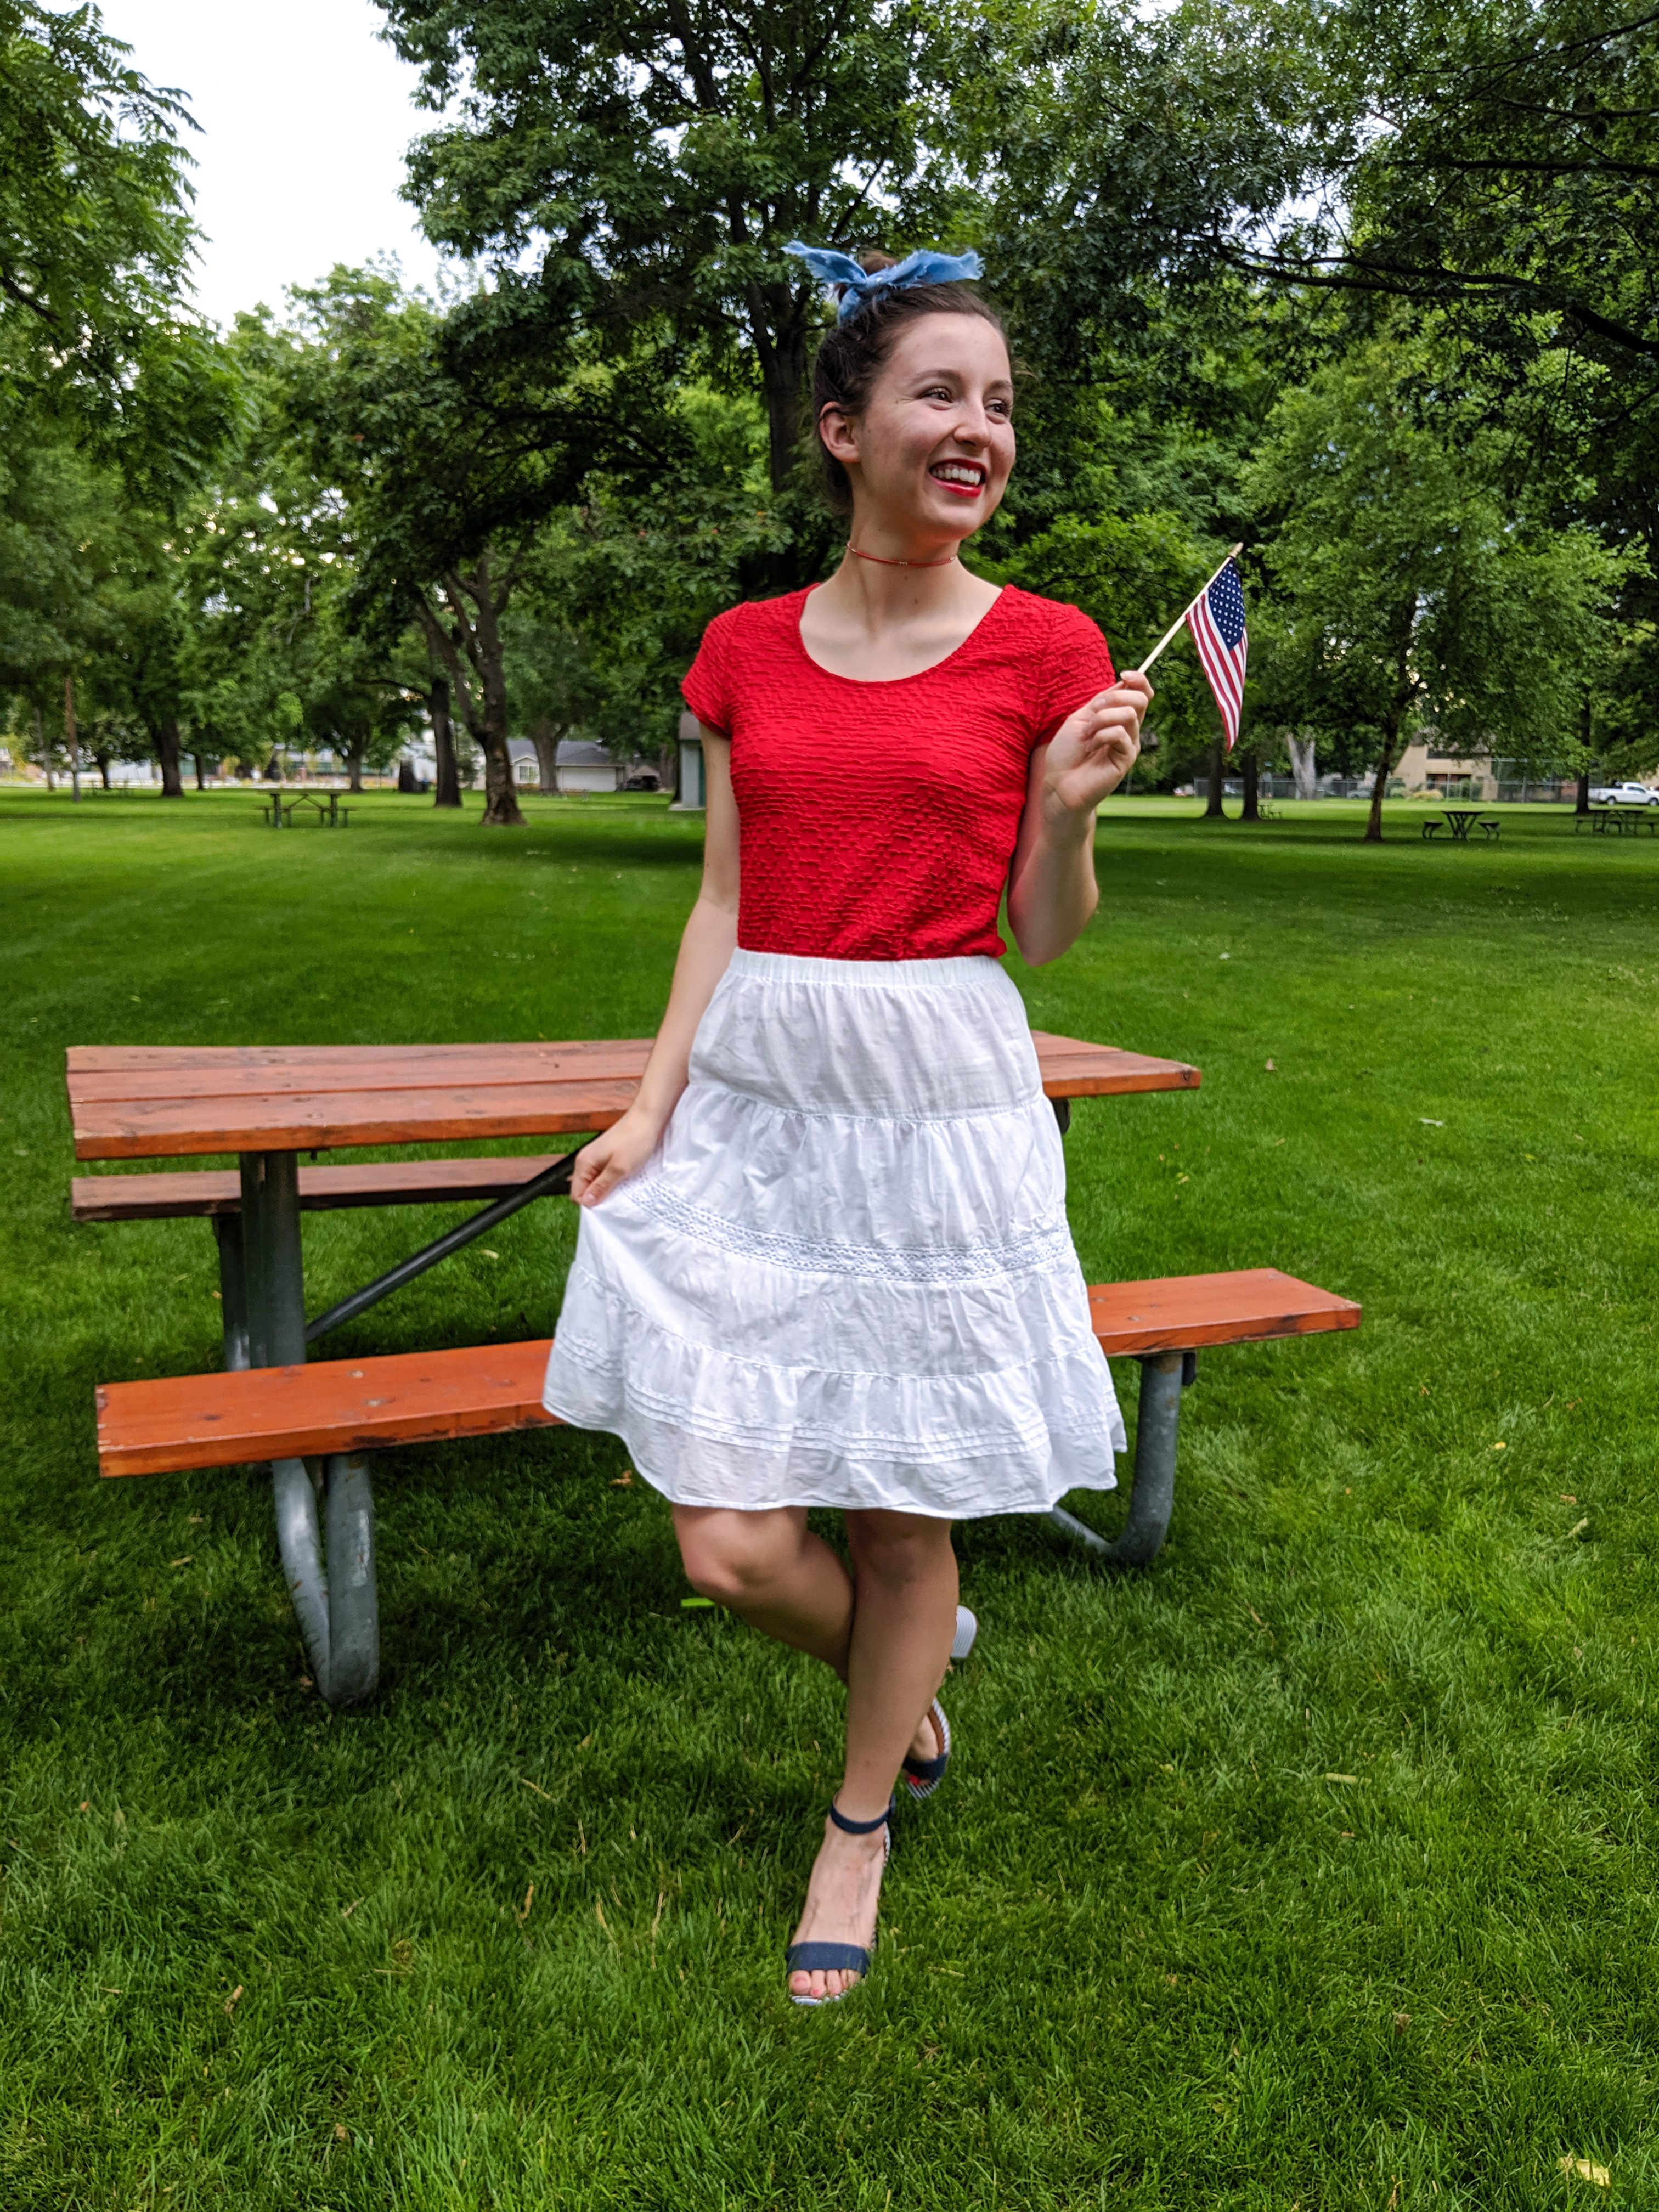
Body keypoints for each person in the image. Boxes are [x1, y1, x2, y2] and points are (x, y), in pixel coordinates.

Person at [543, 243, 1151, 2005]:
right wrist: (651, 1105)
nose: (981, 431)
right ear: (844, 428)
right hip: (760, 1093)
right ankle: (919, 1657)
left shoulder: (1049, 647)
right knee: (729, 1537)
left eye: (1003, 404)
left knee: (896, 1503)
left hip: (937, 1090)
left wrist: (1070, 811)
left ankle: (861, 1818)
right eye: (941, 395)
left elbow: (1039, 930)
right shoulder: (744, 649)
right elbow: (723, 902)